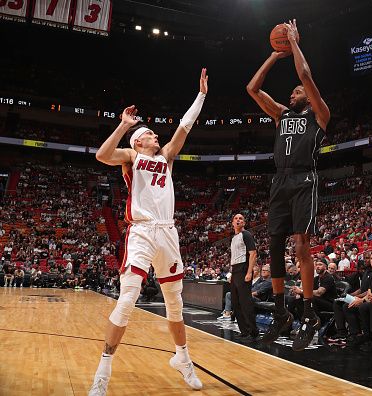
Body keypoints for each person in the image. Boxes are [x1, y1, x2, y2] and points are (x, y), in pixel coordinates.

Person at [89, 69, 208, 395]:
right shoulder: (130, 156)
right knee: (127, 300)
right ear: (139, 140)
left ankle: (183, 359)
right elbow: (102, 155)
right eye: (151, 134)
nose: (157, 137)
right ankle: (103, 372)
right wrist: (124, 125)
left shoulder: (167, 157)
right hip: (141, 232)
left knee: (175, 303)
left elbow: (184, 126)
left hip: (168, 233)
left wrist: (200, 96)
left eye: (156, 135)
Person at [246, 19, 330, 351]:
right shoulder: (282, 115)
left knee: (301, 246)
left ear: (306, 98)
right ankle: (282, 313)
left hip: (303, 178)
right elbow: (252, 88)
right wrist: (273, 55)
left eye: (295, 92)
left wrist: (293, 43)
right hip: (279, 180)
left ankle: (309, 313)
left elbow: (306, 76)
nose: (292, 93)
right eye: (292, 91)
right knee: (276, 245)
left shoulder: (319, 114)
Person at [229, 213, 259, 342]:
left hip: (243, 269)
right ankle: (244, 331)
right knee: (236, 303)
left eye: (240, 218)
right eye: (236, 218)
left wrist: (249, 272)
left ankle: (253, 332)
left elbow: (253, 254)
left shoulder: (246, 235)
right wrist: (231, 272)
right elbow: (234, 256)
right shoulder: (234, 237)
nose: (238, 220)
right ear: (232, 223)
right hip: (235, 270)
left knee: (245, 302)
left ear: (244, 223)